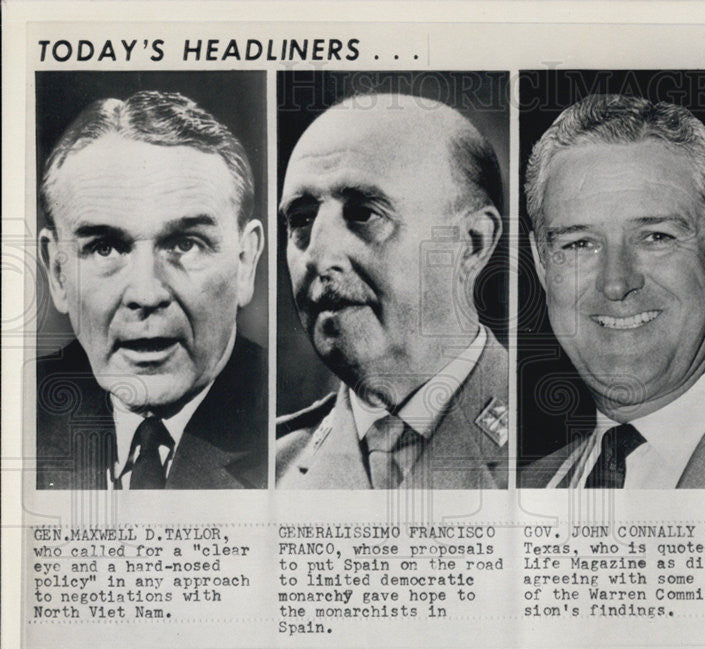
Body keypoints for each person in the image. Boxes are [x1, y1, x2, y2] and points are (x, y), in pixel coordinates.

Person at [275, 93, 508, 489]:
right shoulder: (272, 465)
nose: (317, 254)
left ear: (472, 243)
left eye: (364, 213)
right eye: (302, 218)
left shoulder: (567, 443)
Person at [36, 90, 266, 490]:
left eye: (185, 244)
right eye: (104, 247)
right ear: (58, 273)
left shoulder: (293, 428)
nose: (145, 293)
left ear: (245, 261)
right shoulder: (21, 415)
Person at [521, 94, 705, 489]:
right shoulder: (526, 487)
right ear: (542, 265)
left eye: (655, 237)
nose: (616, 283)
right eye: (579, 243)